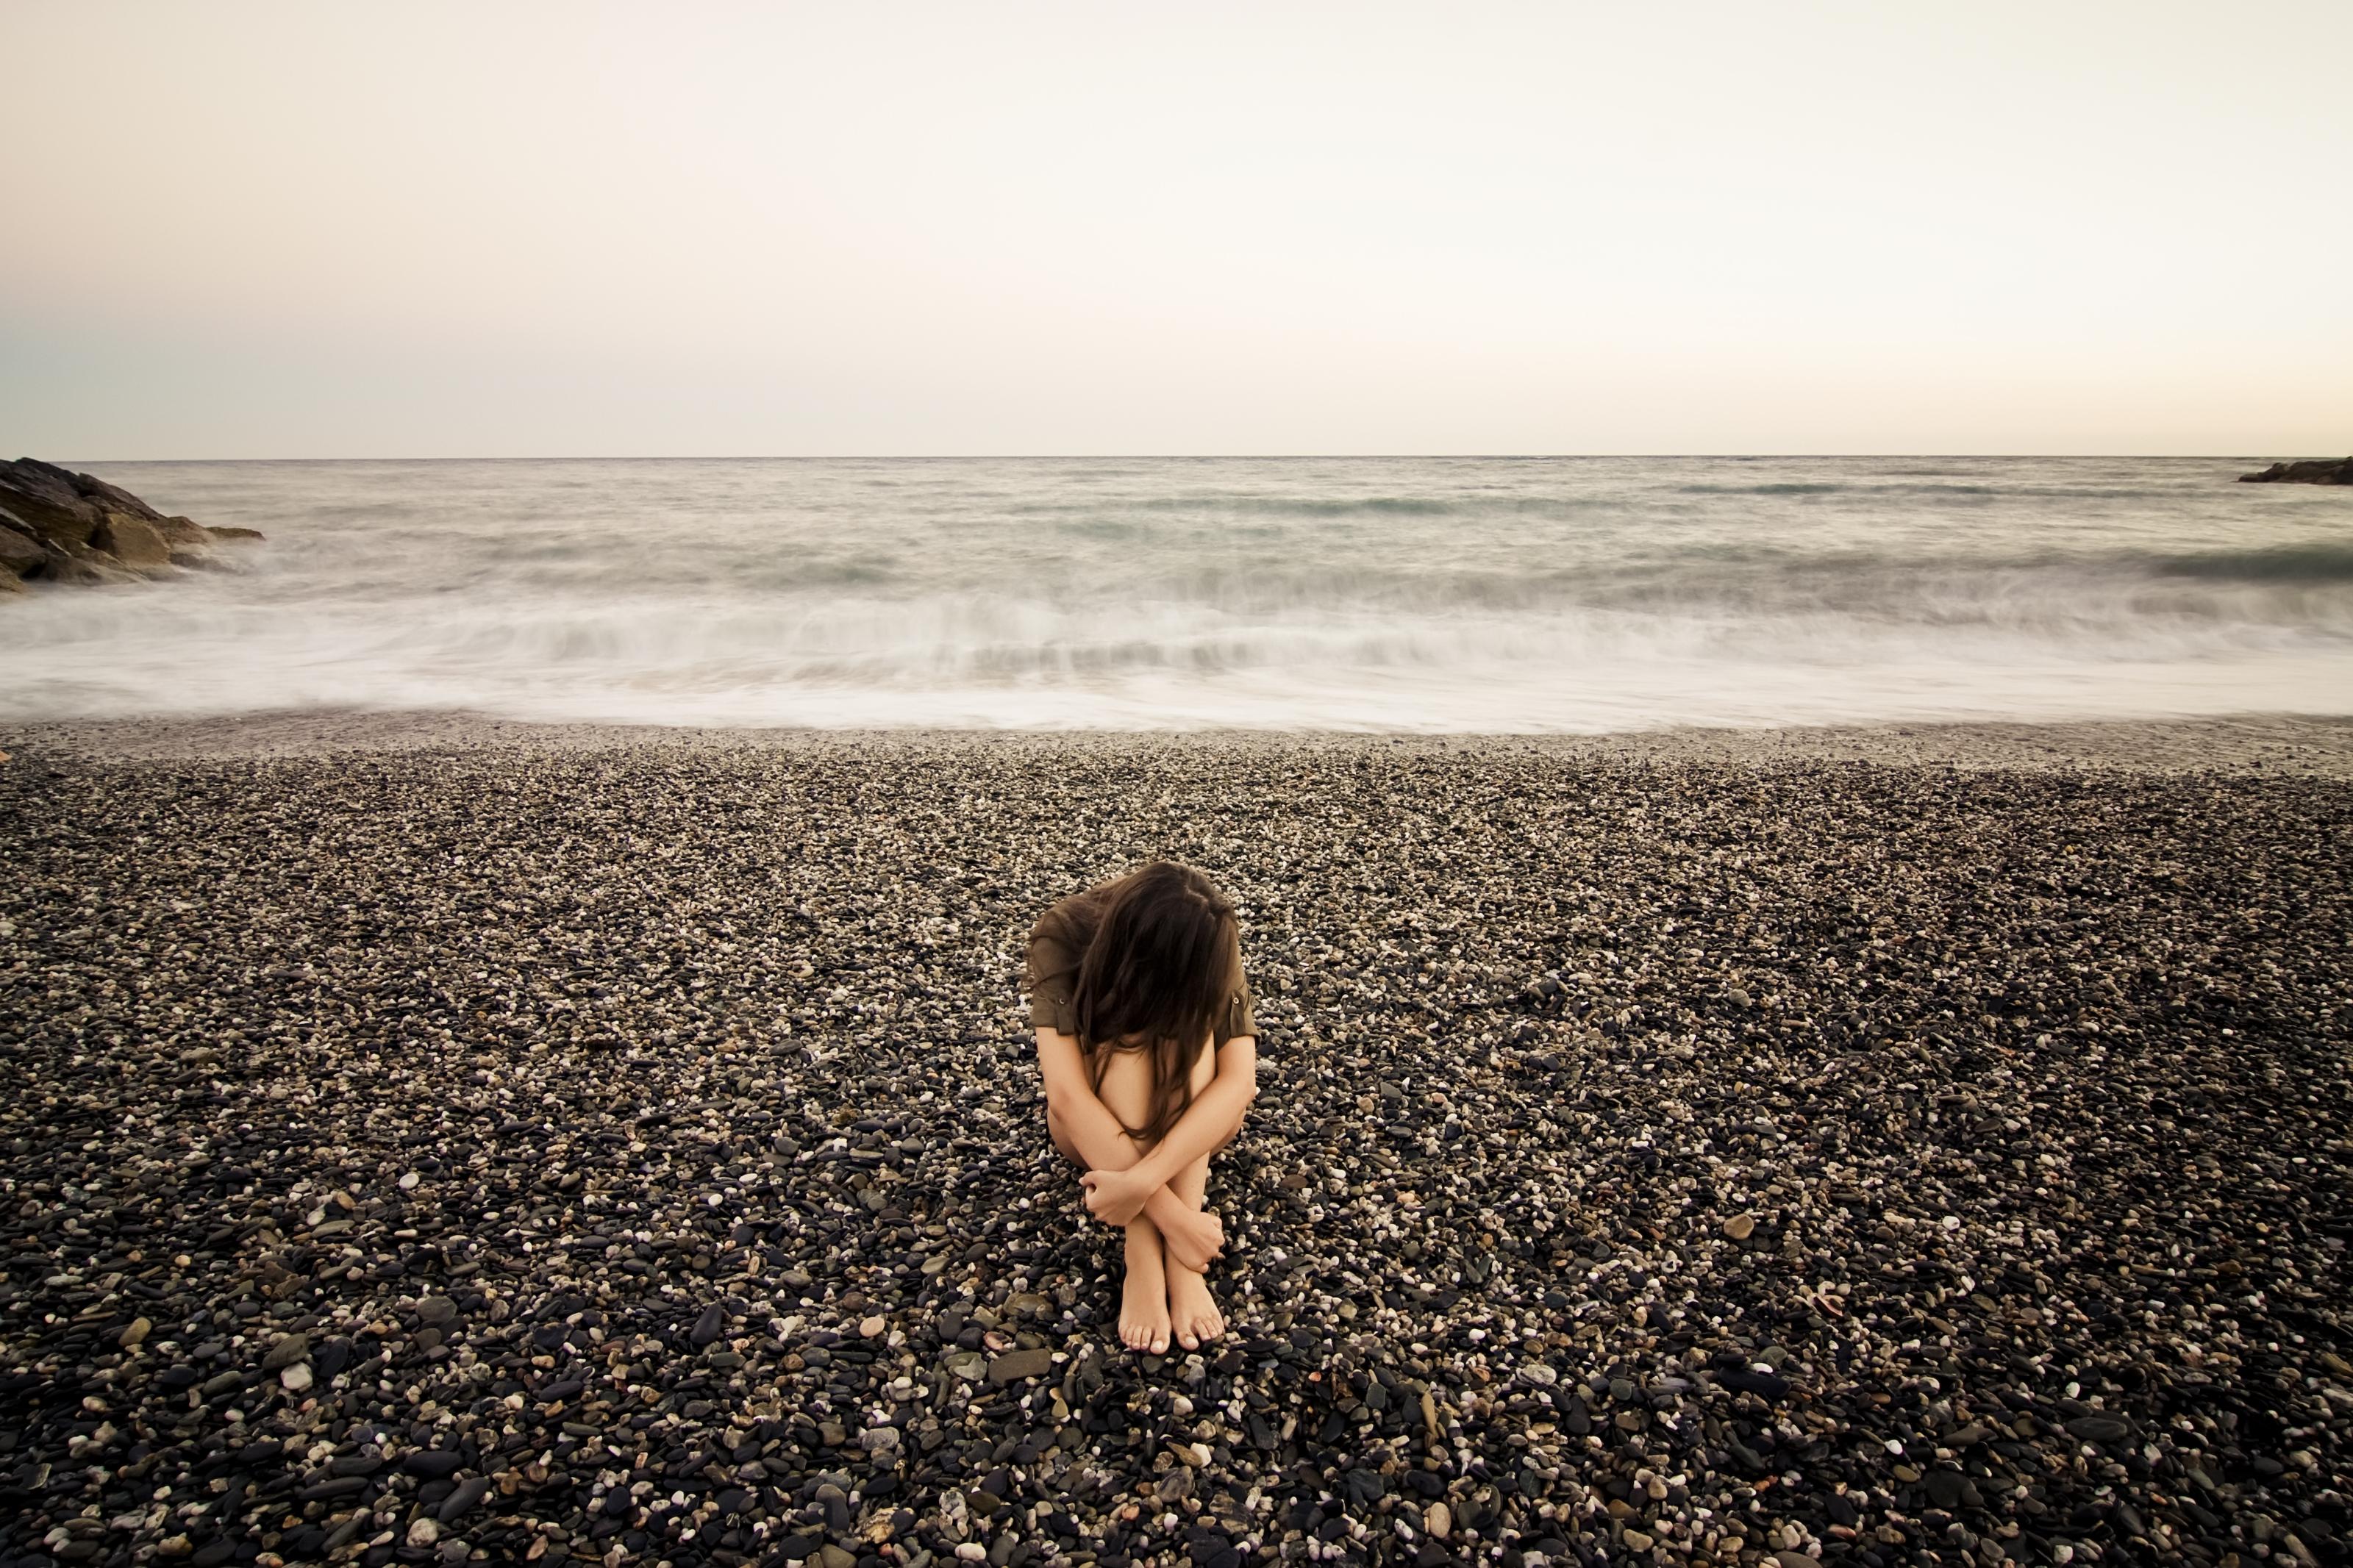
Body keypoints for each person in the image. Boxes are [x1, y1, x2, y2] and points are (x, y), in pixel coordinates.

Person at [1026, 861, 1260, 1355]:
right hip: (1090, 1133)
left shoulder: (1211, 933)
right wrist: (1173, 1219)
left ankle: (1177, 1258)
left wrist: (1138, 1182)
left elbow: (1239, 1081)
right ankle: (1146, 1248)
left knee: (1192, 1039)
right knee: (1131, 1040)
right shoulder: (1064, 933)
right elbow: (1067, 1096)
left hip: (1192, 1130)